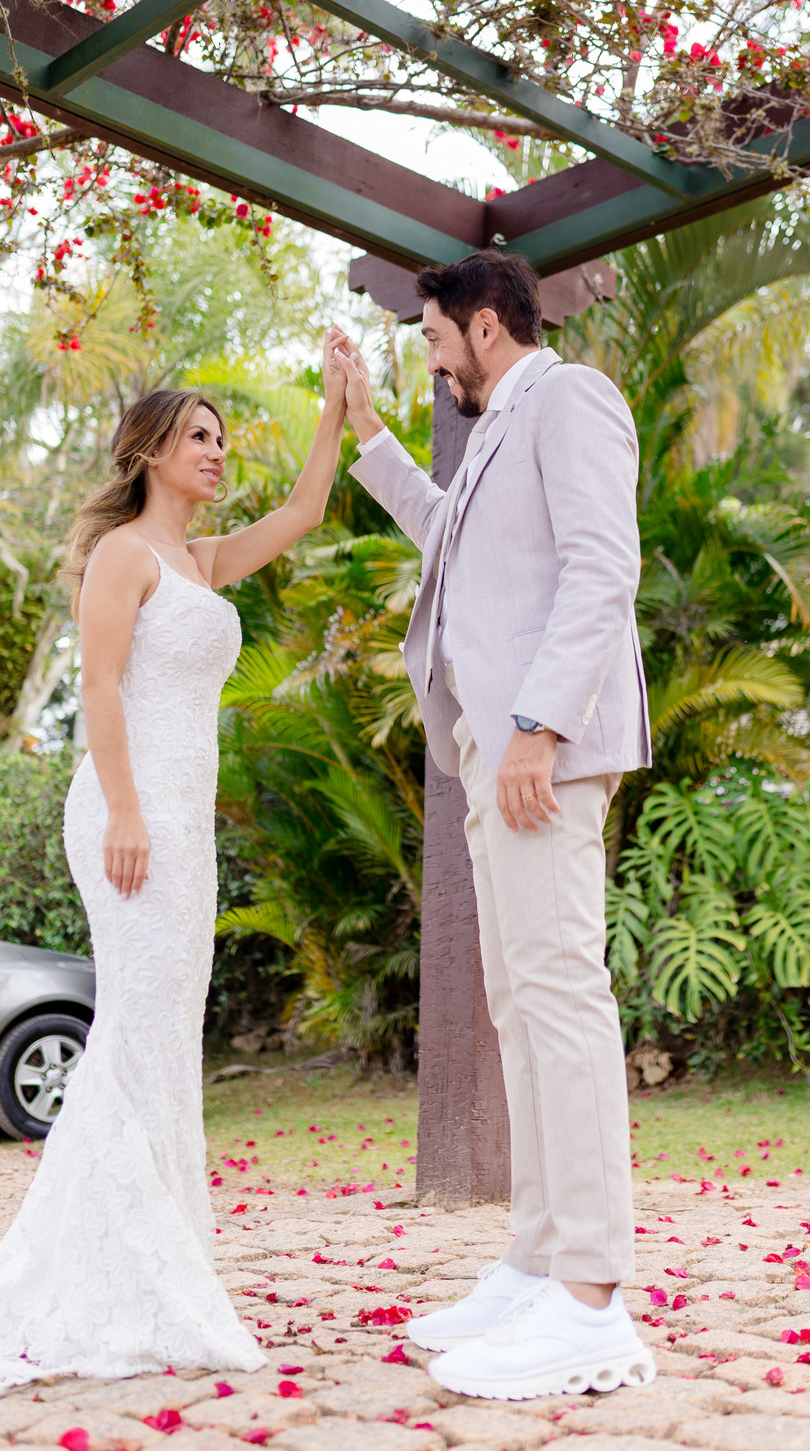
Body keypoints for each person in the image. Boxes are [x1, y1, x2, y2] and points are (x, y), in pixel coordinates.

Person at [0, 345, 349, 1390]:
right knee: (136, 1024)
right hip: (128, 814)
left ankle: (159, 1261)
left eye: (222, 438)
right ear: (149, 452)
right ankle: (117, 1271)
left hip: (185, 822)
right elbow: (98, 687)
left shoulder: (201, 561)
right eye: (199, 437)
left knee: (167, 1031)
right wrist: (128, 812)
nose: (217, 452)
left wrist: (334, 408)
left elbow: (306, 511)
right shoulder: (123, 556)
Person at [333, 251, 653, 1403]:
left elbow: (603, 568)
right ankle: (535, 1263)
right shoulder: (489, 439)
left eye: (432, 340)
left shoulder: (568, 398)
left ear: (483, 325)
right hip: (493, 754)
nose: (432, 362)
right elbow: (447, 537)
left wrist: (537, 727)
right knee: (522, 1006)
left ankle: (592, 1301)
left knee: (561, 1000)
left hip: (540, 751)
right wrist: (367, 431)